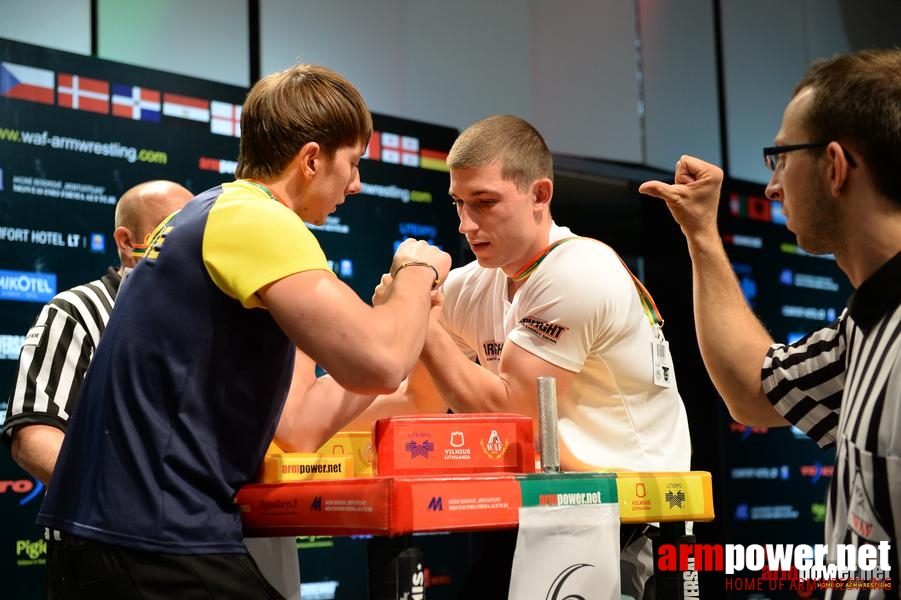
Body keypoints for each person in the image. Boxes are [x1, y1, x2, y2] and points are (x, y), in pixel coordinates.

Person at [34, 63, 451, 600]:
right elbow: (381, 360)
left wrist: (395, 321)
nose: (356, 183)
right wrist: (417, 273)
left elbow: (300, 426)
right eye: (352, 163)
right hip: (152, 541)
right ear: (310, 159)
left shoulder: (220, 216)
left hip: (130, 540)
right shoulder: (253, 219)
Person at [356, 114, 692, 599]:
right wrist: (296, 434)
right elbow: (418, 404)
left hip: (628, 523)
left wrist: (421, 320)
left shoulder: (578, 270)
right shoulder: (475, 283)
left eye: (485, 203)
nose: (466, 224)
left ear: (539, 195)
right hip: (541, 514)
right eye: (459, 203)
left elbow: (512, 415)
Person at [639, 47, 900, 591]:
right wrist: (702, 234)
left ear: (834, 165)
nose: (771, 186)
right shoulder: (865, 329)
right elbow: (755, 389)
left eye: (782, 157)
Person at [2, 179, 193, 483]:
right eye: (171, 229)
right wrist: (112, 498)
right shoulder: (76, 310)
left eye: (195, 229)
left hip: (193, 525)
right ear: (127, 242)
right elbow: (34, 434)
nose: (188, 241)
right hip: (103, 525)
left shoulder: (204, 321)